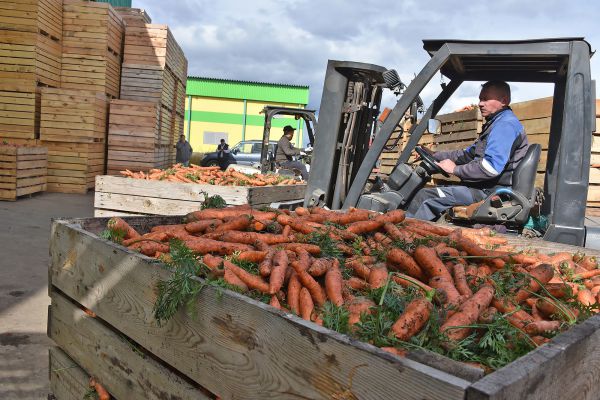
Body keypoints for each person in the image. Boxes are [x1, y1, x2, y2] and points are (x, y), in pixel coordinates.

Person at [405, 80, 529, 221]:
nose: (480, 103)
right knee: (429, 194)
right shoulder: (496, 124)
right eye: (480, 99)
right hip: (482, 189)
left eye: (486, 99)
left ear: (504, 101)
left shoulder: (505, 125)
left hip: (488, 194)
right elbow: (466, 154)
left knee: (425, 196)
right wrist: (435, 155)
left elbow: (491, 168)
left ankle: (408, 238)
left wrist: (455, 170)